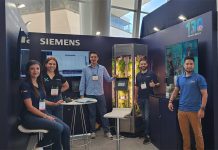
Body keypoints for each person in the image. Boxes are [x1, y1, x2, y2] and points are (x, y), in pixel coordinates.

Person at [19, 60, 70, 150]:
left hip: (40, 113)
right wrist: (46, 116)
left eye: (37, 68)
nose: (35, 71)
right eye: (32, 69)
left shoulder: (39, 83)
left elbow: (42, 99)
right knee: (58, 128)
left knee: (66, 128)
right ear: (28, 71)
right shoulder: (25, 85)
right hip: (29, 117)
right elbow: (30, 107)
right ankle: (39, 145)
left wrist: (53, 103)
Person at [168, 56, 208, 150]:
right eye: (187, 64)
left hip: (195, 111)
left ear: (194, 65)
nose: (189, 66)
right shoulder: (180, 78)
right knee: (185, 136)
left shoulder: (199, 78)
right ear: (184, 65)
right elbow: (176, 90)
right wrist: (170, 101)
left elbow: (205, 94)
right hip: (181, 111)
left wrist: (202, 109)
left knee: (198, 135)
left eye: (191, 64)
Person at [79, 51, 114, 139]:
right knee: (92, 114)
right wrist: (81, 94)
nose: (93, 59)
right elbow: (82, 82)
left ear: (97, 58)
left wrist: (114, 77)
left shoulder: (102, 68)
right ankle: (93, 131)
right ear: (89, 58)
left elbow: (108, 79)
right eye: (92, 57)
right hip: (90, 95)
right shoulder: (85, 69)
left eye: (95, 57)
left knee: (104, 113)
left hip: (100, 94)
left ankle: (107, 131)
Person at [135, 58, 160, 144]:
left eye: (144, 64)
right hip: (140, 98)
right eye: (141, 64)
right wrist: (135, 98)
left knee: (146, 117)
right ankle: (145, 132)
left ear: (147, 64)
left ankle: (147, 135)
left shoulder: (151, 73)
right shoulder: (137, 75)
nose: (142, 65)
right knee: (143, 117)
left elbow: (158, 83)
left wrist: (154, 84)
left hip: (148, 98)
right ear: (139, 65)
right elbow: (136, 87)